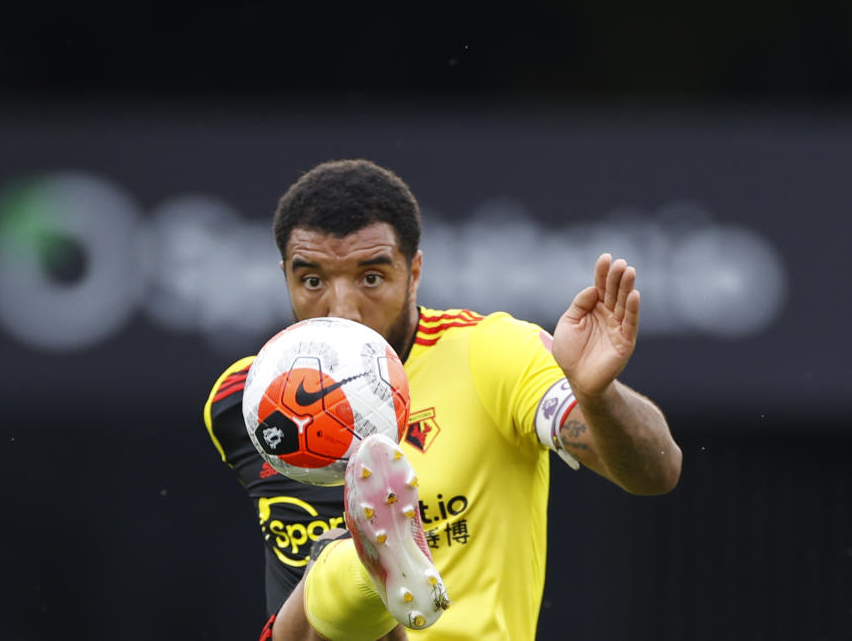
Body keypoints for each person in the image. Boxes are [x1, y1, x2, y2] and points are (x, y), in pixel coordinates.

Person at [204, 159, 682, 640]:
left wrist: (596, 395)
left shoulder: (491, 353)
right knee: (317, 584)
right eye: (313, 281)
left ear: (414, 272)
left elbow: (655, 473)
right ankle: (365, 568)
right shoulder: (250, 397)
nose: (343, 308)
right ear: (285, 274)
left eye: (371, 278)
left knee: (330, 574)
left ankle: (367, 568)